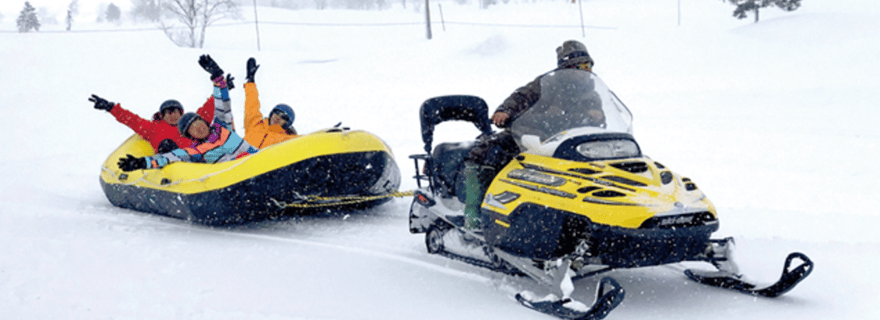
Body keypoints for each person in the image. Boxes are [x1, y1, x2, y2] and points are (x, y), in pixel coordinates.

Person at [462, 40, 597, 230]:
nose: (586, 71)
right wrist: (505, 111)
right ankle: (473, 213)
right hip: (530, 135)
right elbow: (520, 97)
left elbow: (602, 117)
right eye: (580, 66)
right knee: (483, 154)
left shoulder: (592, 92)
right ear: (566, 67)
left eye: (588, 66)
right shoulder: (546, 83)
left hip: (568, 142)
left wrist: (597, 117)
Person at [117, 57, 258, 172]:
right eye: (192, 129)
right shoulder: (195, 151)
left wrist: (217, 77)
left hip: (257, 161)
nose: (198, 127)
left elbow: (222, 104)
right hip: (237, 174)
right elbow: (168, 157)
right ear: (191, 136)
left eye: (198, 123)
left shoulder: (222, 127)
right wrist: (141, 162)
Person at [89, 54, 234, 154]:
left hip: (200, 158)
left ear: (181, 113)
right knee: (167, 145)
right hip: (173, 165)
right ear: (162, 116)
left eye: (175, 112)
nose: (172, 115)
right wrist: (110, 107)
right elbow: (131, 120)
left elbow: (210, 107)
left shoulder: (192, 123)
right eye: (168, 112)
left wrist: (223, 87)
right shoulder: (153, 129)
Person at [242, 57, 299, 149]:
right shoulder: (255, 124)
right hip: (236, 161)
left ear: (287, 124)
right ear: (272, 113)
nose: (278, 117)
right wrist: (250, 82)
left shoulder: (287, 140)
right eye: (277, 113)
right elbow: (251, 104)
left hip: (260, 163)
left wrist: (327, 134)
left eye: (283, 117)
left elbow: (309, 141)